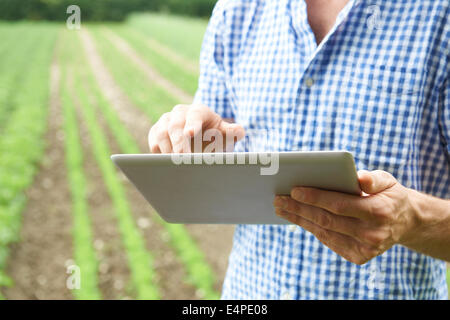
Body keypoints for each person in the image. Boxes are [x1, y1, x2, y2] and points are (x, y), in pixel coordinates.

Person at [148, 0, 450, 299]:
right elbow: (218, 149)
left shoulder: (440, 14)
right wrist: (192, 143)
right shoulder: (236, 9)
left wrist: (413, 220)